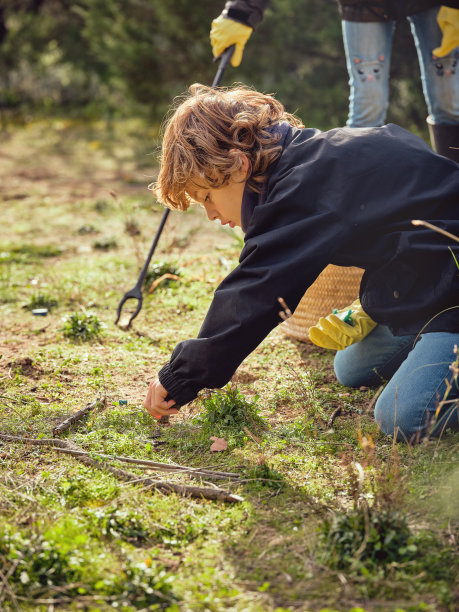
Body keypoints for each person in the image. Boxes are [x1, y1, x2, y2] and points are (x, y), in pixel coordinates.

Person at [144, 83, 459, 443]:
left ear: (238, 165)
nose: (212, 214)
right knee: (351, 367)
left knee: (405, 418)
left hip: (452, 290)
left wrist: (180, 377)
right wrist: (378, 302)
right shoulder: (310, 160)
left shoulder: (303, 188)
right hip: (430, 283)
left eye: (207, 197)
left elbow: (257, 291)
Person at [209, 1, 459, 162]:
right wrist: (240, 12)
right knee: (367, 105)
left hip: (435, 4)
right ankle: (356, 203)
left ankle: (453, 192)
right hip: (364, 5)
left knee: (448, 97)